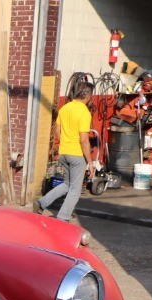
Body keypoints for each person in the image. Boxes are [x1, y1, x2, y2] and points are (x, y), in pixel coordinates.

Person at [36, 81, 95, 221]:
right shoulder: (84, 112)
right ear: (88, 96)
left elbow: (57, 131)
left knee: (67, 184)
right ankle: (63, 218)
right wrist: (90, 162)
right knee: (75, 190)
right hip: (76, 155)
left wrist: (64, 144)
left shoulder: (65, 108)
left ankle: (42, 203)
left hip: (63, 153)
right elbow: (84, 140)